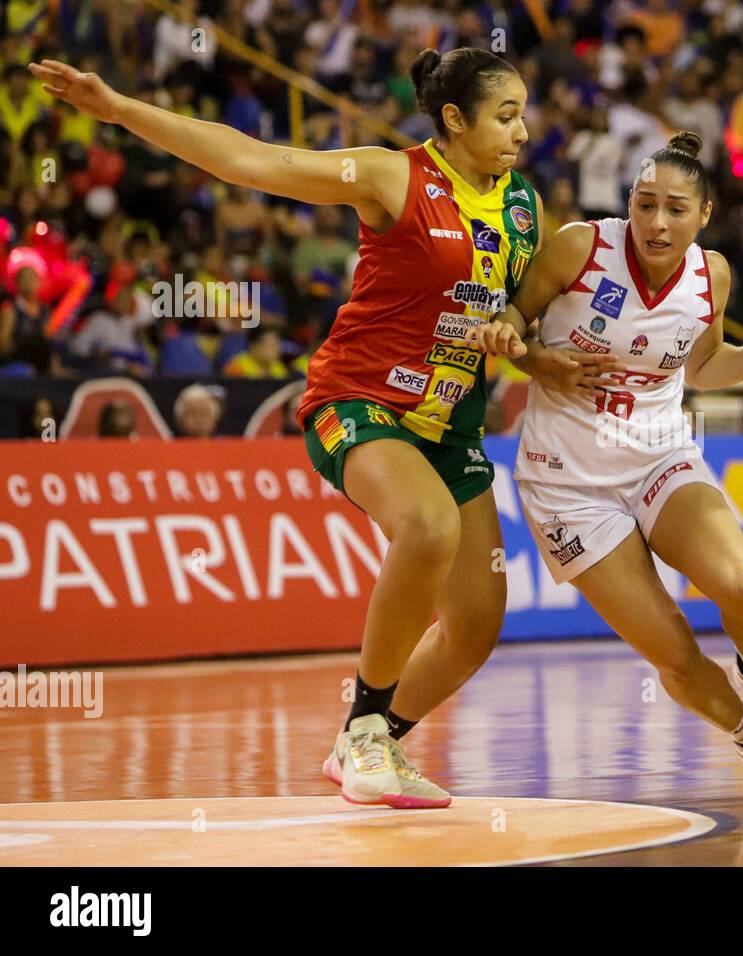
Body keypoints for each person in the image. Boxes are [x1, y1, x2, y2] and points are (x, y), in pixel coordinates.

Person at [29, 47, 606, 810]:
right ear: (456, 120)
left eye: (524, 113)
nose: (523, 131)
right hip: (360, 403)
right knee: (426, 528)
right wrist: (123, 110)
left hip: (450, 426)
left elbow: (501, 321)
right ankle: (366, 732)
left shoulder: (525, 207)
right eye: (505, 116)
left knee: (475, 626)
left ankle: (368, 745)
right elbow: (249, 158)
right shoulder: (389, 177)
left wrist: (537, 359)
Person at [459, 132, 743, 801]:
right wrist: (527, 353)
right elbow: (509, 318)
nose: (656, 222)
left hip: (659, 452)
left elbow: (699, 366)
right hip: (568, 484)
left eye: (674, 209)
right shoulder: (580, 248)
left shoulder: (712, 275)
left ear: (703, 216)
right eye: (645, 205)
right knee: (672, 649)